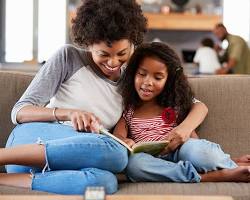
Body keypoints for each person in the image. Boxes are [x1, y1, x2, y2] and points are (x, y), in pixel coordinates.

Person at [0, 0, 147, 195]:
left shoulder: (133, 77)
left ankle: (5, 180)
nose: (113, 62)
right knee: (117, 154)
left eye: (122, 53)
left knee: (105, 183)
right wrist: (68, 113)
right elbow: (19, 111)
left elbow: (127, 116)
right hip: (27, 146)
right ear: (88, 43)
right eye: (103, 54)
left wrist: (123, 138)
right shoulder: (69, 57)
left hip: (74, 158)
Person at [113, 42, 250, 183]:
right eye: (142, 74)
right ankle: (208, 176)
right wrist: (125, 140)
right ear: (133, 73)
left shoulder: (174, 103)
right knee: (134, 165)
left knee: (200, 152)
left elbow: (199, 111)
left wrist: (189, 136)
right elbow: (118, 135)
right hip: (150, 159)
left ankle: (231, 164)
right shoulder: (129, 109)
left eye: (158, 78)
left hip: (180, 151)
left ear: (169, 80)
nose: (148, 82)